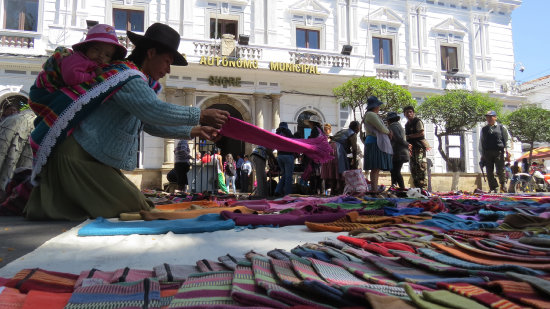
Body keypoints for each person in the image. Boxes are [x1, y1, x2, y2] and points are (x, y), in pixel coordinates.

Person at [25, 23, 229, 220]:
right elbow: (153, 110)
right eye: (167, 61)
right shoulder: (126, 75)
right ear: (150, 53)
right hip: (76, 159)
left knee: (142, 205)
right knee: (138, 208)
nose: (168, 70)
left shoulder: (131, 77)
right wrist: (200, 115)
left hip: (90, 159)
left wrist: (195, 131)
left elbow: (149, 123)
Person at [363, 96, 393, 192]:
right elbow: (381, 128)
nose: (379, 108)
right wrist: (389, 132)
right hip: (374, 142)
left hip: (373, 141)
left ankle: (374, 189)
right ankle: (374, 189)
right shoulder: (371, 115)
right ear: (375, 106)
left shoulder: (370, 114)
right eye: (378, 106)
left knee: (375, 168)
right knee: (375, 167)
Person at [479, 110, 510, 193]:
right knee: (489, 171)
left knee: (500, 170)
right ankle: (493, 187)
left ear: (495, 117)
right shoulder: (484, 129)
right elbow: (481, 142)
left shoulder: (501, 127)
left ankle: (503, 185)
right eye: (487, 117)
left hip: (498, 151)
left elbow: (507, 139)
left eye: (490, 117)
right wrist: (482, 154)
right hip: (487, 153)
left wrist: (508, 150)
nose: (488, 119)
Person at [404, 105, 429, 189]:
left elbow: (421, 133)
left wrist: (410, 136)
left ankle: (424, 189)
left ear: (413, 113)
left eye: (410, 112)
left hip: (419, 147)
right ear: (404, 114)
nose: (409, 114)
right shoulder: (407, 124)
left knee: (421, 166)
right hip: (412, 148)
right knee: (413, 168)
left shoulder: (417, 121)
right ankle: (417, 188)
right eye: (407, 112)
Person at [387, 112, 409, 189]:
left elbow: (398, 138)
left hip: (398, 152)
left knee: (395, 171)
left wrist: (407, 144)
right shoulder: (399, 126)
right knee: (393, 171)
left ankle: (402, 188)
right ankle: (394, 186)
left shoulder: (392, 127)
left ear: (389, 120)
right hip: (401, 153)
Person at [303, 115, 324, 195]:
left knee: (314, 174)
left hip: (315, 155)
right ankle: (320, 192)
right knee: (320, 175)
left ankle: (314, 192)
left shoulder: (315, 130)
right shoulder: (321, 130)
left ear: (312, 123)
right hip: (320, 155)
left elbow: (313, 141)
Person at [274, 122, 295, 196]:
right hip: (288, 155)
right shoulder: (287, 132)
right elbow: (293, 141)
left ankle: (278, 190)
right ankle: (287, 193)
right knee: (288, 176)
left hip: (280, 156)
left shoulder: (277, 133)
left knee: (285, 175)